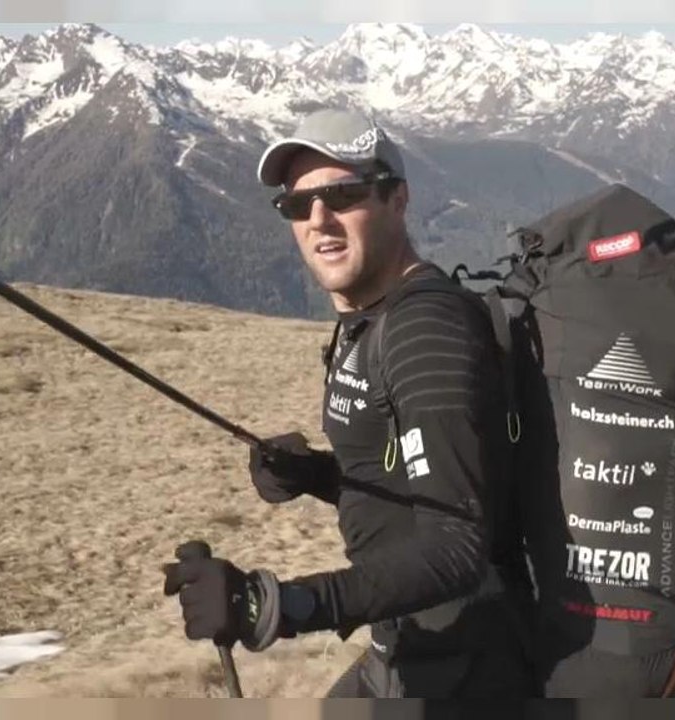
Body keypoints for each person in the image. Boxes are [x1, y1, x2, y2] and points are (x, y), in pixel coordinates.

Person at [161, 107, 536, 698]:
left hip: (465, 671)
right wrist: (317, 473)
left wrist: (275, 603)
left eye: (343, 195)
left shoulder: (424, 332)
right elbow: (417, 478)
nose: (318, 220)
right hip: (410, 647)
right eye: (296, 205)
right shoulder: (371, 320)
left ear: (398, 199)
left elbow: (457, 545)